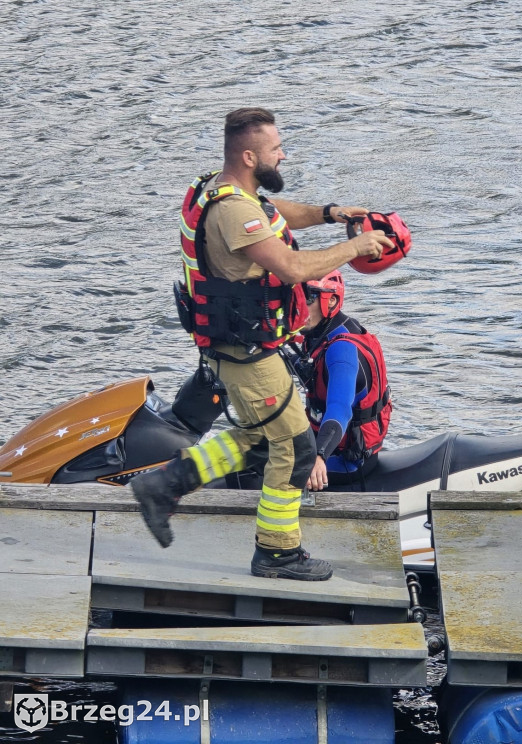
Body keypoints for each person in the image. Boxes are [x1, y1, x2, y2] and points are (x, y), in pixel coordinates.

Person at [131, 107, 393, 582]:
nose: (283, 153)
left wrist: (330, 215)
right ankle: (277, 552)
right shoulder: (232, 211)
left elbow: (274, 214)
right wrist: (354, 247)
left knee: (259, 440)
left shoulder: (220, 188)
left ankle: (165, 484)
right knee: (295, 449)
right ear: (250, 156)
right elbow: (292, 268)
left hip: (237, 347)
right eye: (276, 149)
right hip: (247, 353)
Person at [297, 271, 392, 492]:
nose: (299, 305)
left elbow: (340, 410)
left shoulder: (341, 350)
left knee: (264, 468)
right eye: (296, 296)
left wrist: (319, 455)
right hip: (324, 443)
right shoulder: (321, 331)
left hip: (347, 459)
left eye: (308, 298)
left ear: (331, 300)